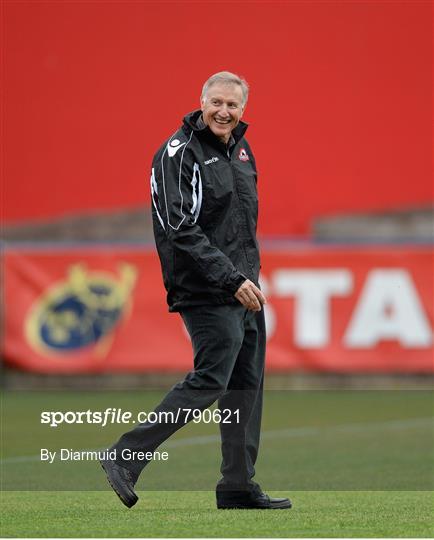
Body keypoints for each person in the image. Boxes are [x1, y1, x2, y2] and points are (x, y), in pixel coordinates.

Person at [100, 71, 291, 510]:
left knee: (246, 385)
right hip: (206, 287)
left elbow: (242, 226)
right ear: (201, 101)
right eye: (217, 102)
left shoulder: (241, 151)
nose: (224, 111)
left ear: (244, 109)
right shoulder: (177, 153)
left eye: (234, 105)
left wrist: (249, 279)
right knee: (211, 379)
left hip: (245, 286)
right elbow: (179, 228)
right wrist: (231, 279)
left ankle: (238, 486)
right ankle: (125, 456)